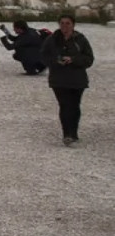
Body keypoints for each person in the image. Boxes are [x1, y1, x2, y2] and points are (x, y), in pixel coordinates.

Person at [40, 15, 95, 146]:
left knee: (74, 106)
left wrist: (73, 60)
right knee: (64, 105)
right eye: (62, 23)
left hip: (77, 79)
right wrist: (55, 61)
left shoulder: (80, 39)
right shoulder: (51, 39)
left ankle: (74, 132)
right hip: (58, 79)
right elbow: (43, 55)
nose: (65, 26)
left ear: (73, 25)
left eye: (68, 23)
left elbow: (89, 59)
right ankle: (67, 134)